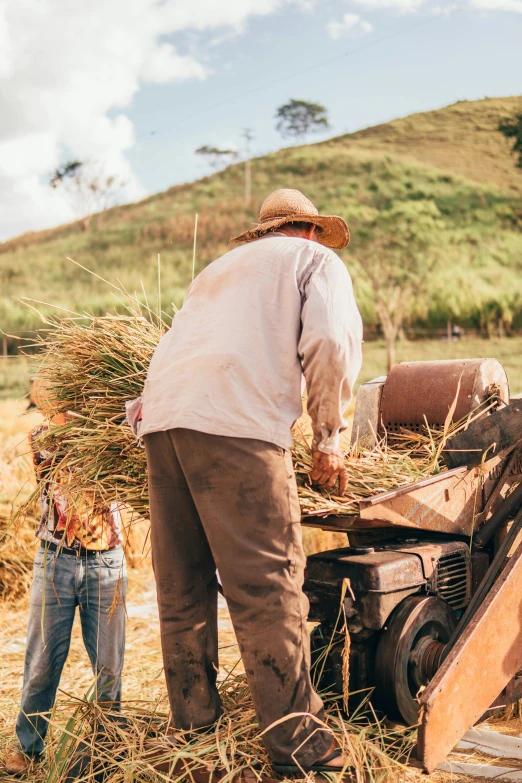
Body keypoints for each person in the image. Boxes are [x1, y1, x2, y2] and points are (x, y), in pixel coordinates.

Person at [137, 188, 363, 776]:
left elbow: (171, 349)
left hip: (163, 426)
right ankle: (301, 752)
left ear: (264, 232)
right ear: (310, 229)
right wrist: (329, 437)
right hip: (237, 428)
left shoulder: (214, 272)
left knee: (181, 592)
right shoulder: (315, 262)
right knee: (269, 589)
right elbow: (331, 343)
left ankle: (194, 740)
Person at [5, 380, 127, 776]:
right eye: (48, 404)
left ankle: (109, 745)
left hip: (106, 562)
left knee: (109, 665)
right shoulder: (44, 438)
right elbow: (65, 462)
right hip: (54, 560)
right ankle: (29, 747)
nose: (51, 411)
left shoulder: (112, 436)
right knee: (42, 660)